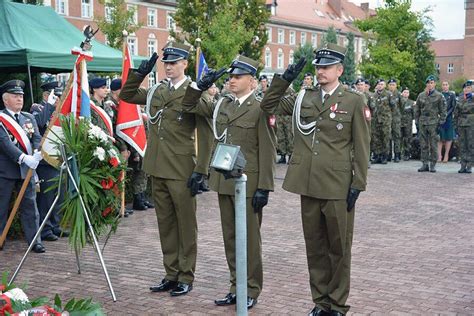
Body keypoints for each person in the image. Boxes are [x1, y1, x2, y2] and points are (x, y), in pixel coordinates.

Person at [260, 43, 370, 315]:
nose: (321, 71)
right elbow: (267, 104)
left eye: (326, 67)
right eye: (318, 67)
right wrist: (285, 78)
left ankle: (338, 304)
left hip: (337, 184)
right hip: (307, 182)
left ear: (339, 70)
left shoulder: (353, 100)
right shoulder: (303, 97)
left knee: (339, 248)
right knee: (315, 246)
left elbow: (362, 145)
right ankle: (320, 302)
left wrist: (358, 183)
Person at [181, 55, 276, 309]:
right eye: (230, 76)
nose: (232, 80)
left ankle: (251, 289)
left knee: (249, 240)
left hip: (250, 182)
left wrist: (265, 186)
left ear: (252, 81)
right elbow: (189, 105)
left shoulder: (260, 107)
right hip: (225, 180)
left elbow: (268, 149)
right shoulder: (223, 104)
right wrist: (199, 86)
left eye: (238, 76)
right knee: (231, 237)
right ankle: (236, 286)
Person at [119, 42, 213, 296]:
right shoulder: (157, 91)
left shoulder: (194, 92)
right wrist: (139, 74)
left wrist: (201, 170)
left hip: (182, 168)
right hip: (157, 165)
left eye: (174, 63)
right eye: (166, 63)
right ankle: (171, 273)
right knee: (166, 224)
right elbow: (126, 95)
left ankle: (186, 275)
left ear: (185, 64)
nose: (169, 67)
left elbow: (205, 134)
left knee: (185, 225)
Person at [0, 80, 45, 253]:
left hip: (27, 171)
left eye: (21, 96)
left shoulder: (29, 117)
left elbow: (36, 138)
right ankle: (0, 239)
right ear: (5, 100)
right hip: (6, 170)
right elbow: (4, 143)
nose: (19, 99)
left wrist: (36, 153)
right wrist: (24, 158)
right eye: (15, 96)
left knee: (30, 207)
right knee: (1, 207)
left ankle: (35, 241)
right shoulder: (2, 119)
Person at [31, 81, 68, 241]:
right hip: (45, 161)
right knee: (46, 197)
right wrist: (49, 106)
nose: (59, 99)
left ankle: (55, 225)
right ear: (47, 96)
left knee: (58, 196)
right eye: (56, 96)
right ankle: (45, 229)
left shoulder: (60, 111)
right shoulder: (37, 109)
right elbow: (39, 123)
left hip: (58, 158)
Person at [107, 79, 140, 215]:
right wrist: (122, 148)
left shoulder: (121, 104)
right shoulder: (110, 106)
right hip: (115, 147)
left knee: (121, 178)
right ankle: (115, 206)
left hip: (123, 147)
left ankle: (121, 205)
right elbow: (114, 129)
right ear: (116, 90)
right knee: (115, 178)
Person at [415, 75, 447, 173]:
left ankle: (433, 164)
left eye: (431, 83)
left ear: (435, 84)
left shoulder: (439, 96)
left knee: (433, 145)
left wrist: (441, 123)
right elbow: (417, 110)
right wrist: (417, 122)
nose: (430, 85)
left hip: (433, 123)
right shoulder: (421, 95)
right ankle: (424, 164)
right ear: (426, 84)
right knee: (423, 144)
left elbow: (443, 111)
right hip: (423, 123)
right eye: (428, 83)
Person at [454, 80, 474, 173]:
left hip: (471, 124)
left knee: (470, 145)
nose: (466, 89)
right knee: (462, 145)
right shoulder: (460, 98)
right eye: (465, 88)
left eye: (469, 88)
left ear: (472, 89)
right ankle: (463, 165)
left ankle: (469, 165)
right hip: (461, 124)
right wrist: (455, 125)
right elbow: (456, 113)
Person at [371, 79, 392, 164]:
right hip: (376, 120)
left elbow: (393, 107)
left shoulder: (388, 94)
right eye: (378, 84)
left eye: (382, 84)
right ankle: (378, 156)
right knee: (377, 138)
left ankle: (385, 156)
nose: (380, 85)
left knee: (385, 138)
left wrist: (388, 116)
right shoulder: (374, 95)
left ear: (385, 85)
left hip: (385, 120)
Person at [437, 81, 456, 163]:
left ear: (448, 86)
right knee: (440, 137)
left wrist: (446, 114)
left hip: (448, 118)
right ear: (442, 86)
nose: (445, 86)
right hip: (440, 118)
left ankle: (446, 155)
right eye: (443, 85)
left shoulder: (452, 95)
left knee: (448, 137)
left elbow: (453, 106)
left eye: (446, 85)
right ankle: (439, 155)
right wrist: (439, 114)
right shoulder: (439, 95)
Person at [388, 79, 403, 162]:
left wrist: (399, 115)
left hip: (396, 118)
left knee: (397, 136)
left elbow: (402, 106)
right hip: (387, 118)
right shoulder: (386, 94)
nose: (391, 86)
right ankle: (389, 154)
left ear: (396, 85)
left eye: (393, 84)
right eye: (390, 84)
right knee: (388, 136)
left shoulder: (398, 94)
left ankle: (397, 154)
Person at [400, 87, 415, 161]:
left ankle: (407, 153)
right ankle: (398, 153)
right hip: (399, 123)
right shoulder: (398, 102)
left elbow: (414, 114)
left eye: (407, 92)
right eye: (404, 92)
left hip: (408, 123)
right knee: (399, 138)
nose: (406, 94)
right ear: (402, 93)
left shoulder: (412, 103)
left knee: (407, 139)